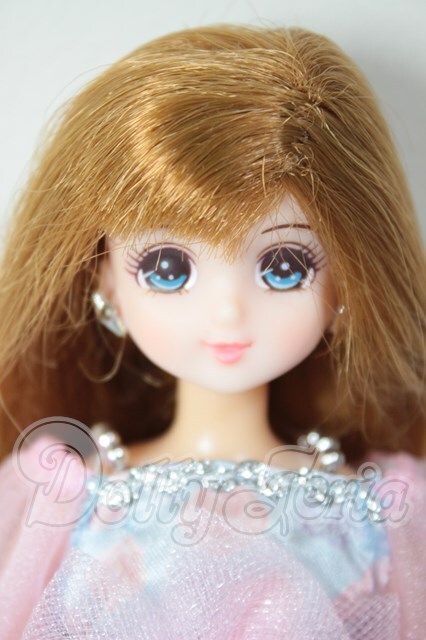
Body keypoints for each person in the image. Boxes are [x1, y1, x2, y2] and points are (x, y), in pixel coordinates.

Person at [0, 24, 425, 639]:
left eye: (284, 267)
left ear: (349, 278)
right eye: (168, 269)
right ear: (104, 279)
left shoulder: (379, 515)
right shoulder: (61, 500)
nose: (228, 313)